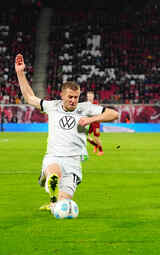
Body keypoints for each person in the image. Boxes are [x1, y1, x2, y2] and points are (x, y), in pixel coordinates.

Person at [15, 54, 119, 212]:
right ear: (62, 95)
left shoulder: (85, 108)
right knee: (54, 173)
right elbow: (30, 98)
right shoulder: (52, 106)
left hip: (73, 162)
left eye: (76, 97)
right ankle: (48, 176)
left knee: (63, 203)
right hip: (54, 156)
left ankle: (52, 199)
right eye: (70, 97)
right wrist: (20, 73)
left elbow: (114, 114)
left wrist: (90, 120)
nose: (73, 100)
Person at [86, 91, 104, 156]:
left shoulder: (96, 104)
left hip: (96, 123)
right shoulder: (86, 104)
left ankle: (101, 151)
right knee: (85, 136)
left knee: (96, 137)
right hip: (90, 122)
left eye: (91, 96)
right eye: (88, 96)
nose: (89, 97)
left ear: (93, 97)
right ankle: (96, 145)